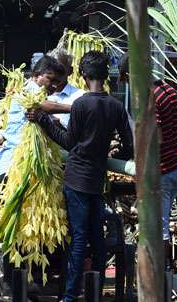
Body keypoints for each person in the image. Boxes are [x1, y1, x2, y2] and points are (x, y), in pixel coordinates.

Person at [27, 51, 134, 301]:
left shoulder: (81, 104)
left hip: (76, 179)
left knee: (78, 238)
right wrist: (112, 150)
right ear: (106, 76)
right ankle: (94, 293)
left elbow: (68, 142)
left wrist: (43, 120)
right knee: (97, 237)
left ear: (84, 76)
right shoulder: (116, 106)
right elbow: (129, 145)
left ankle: (70, 295)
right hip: (98, 179)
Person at [118, 52, 177, 269]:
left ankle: (161, 275)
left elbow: (156, 138)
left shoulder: (148, 96)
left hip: (164, 170)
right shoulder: (168, 89)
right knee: (160, 223)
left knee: (158, 228)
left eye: (126, 78)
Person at [0, 54, 76, 179]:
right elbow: (40, 105)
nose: (54, 86)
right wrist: (74, 108)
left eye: (57, 82)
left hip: (28, 164)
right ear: (36, 76)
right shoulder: (28, 91)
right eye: (51, 79)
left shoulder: (42, 94)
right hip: (16, 163)